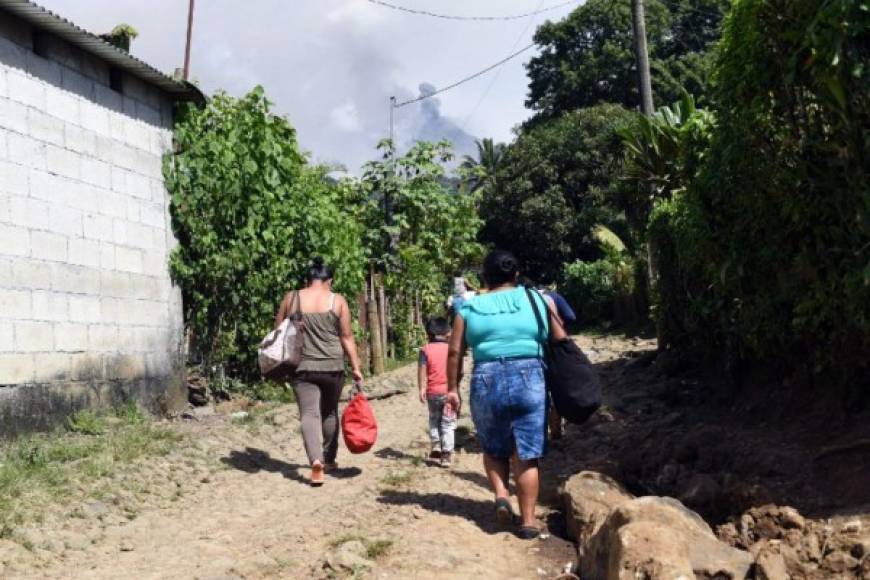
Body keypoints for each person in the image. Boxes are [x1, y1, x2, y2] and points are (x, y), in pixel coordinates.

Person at [446, 250, 567, 539]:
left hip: (486, 378)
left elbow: (454, 351)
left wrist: (452, 388)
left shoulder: (468, 309)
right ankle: (527, 522)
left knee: (493, 447)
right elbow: (560, 338)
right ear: (515, 275)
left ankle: (502, 494)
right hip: (530, 377)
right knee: (526, 454)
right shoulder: (537, 299)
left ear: (485, 278)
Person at [274, 257, 364, 486]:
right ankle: (329, 459)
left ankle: (315, 461)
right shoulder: (337, 301)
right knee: (330, 412)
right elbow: (346, 336)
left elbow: (278, 332)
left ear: (309, 279)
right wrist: (355, 367)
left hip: (302, 367)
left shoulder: (291, 298)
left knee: (309, 414)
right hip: (332, 366)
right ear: (329, 280)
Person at [418, 317, 456, 467]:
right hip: (448, 392)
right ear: (447, 332)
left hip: (432, 392)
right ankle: (446, 454)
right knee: (448, 422)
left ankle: (436, 445)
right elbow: (456, 370)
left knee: (434, 419)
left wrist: (421, 388)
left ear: (429, 333)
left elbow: (422, 370)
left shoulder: (425, 349)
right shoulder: (451, 349)